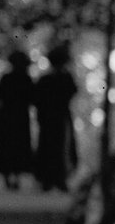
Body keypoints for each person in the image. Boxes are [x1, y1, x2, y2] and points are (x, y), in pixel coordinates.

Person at [0, 51, 35, 190]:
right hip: (19, 120)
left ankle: (9, 176)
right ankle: (13, 176)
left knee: (8, 150)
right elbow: (33, 99)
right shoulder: (25, 79)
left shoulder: (9, 78)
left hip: (8, 120)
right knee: (16, 149)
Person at [30, 45, 79, 192]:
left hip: (50, 120)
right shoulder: (61, 78)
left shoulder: (47, 79)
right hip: (55, 119)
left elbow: (36, 99)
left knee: (52, 148)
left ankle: (53, 179)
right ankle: (54, 179)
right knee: (56, 148)